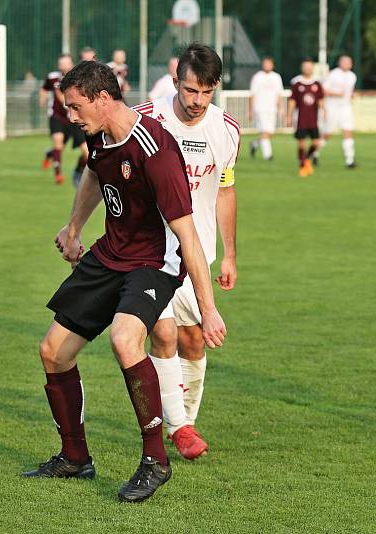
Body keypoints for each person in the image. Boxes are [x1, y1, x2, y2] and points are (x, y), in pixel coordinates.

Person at [21, 60, 227, 503]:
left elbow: (187, 236)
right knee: (53, 352)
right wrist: (73, 228)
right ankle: (74, 457)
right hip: (111, 252)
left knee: (125, 338)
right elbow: (96, 173)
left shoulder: (156, 151)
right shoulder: (97, 136)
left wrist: (208, 309)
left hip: (154, 259)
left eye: (75, 107)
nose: (70, 116)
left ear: (102, 98)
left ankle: (156, 460)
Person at [134, 43, 239, 460]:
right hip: (148, 251)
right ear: (175, 81)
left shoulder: (226, 130)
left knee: (194, 341)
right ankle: (178, 428)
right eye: (190, 90)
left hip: (198, 251)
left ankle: (185, 422)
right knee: (162, 334)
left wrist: (229, 253)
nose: (197, 102)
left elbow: (226, 191)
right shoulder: (145, 119)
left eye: (207, 92)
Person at [40, 54, 90, 186]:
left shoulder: (78, 79)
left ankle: (78, 170)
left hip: (74, 119)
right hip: (57, 117)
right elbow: (45, 89)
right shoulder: (53, 78)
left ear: (71, 64)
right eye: (61, 63)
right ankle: (58, 175)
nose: (63, 66)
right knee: (58, 144)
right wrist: (42, 98)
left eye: (66, 63)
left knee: (86, 151)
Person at [288, 58, 324, 177]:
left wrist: (325, 111)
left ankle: (306, 160)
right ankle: (303, 166)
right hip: (300, 118)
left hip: (314, 118)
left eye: (309, 67)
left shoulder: (317, 83)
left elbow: (320, 99)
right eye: (305, 67)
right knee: (301, 143)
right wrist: (289, 114)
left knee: (316, 143)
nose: (307, 69)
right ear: (302, 68)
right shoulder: (297, 83)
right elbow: (292, 100)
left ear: (313, 68)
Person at [320, 55, 357, 168]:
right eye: (344, 62)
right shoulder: (333, 74)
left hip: (346, 108)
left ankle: (349, 160)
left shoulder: (352, 76)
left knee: (348, 132)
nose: (347, 64)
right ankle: (314, 153)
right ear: (340, 63)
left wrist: (352, 95)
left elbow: (350, 91)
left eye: (348, 62)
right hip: (332, 107)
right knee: (327, 134)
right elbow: (324, 91)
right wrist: (337, 94)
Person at [248, 56, 283, 161]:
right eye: (265, 63)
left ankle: (254, 144)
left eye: (269, 63)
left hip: (272, 109)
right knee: (264, 131)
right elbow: (252, 94)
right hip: (260, 108)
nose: (267, 65)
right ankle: (268, 155)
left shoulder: (276, 77)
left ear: (272, 65)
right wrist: (250, 110)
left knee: (269, 132)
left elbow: (278, 94)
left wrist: (280, 108)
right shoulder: (257, 77)